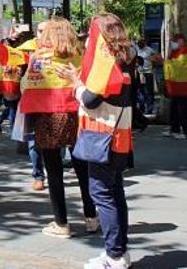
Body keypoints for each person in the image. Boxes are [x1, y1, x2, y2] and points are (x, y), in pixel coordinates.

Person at [57, 14, 136, 269]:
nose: (88, 39)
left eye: (91, 34)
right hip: (118, 137)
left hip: (103, 136)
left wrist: (76, 84)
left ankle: (114, 256)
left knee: (102, 194)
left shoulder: (106, 58)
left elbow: (91, 99)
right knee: (115, 192)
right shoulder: (125, 55)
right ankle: (119, 253)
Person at [19, 17, 97, 238]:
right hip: (76, 114)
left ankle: (61, 223)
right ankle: (91, 217)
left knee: (53, 172)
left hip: (47, 116)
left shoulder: (39, 57)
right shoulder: (80, 54)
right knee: (83, 168)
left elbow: (25, 85)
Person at [163, 34, 187, 139]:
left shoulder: (185, 51)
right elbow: (171, 64)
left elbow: (178, 67)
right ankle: (174, 129)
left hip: (183, 85)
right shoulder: (175, 52)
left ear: (182, 41)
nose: (173, 43)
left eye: (175, 41)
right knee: (174, 109)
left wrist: (164, 61)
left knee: (183, 109)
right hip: (176, 85)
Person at [135, 39, 157, 114]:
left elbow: (155, 60)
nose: (139, 45)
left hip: (148, 73)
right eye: (138, 44)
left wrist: (153, 68)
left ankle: (149, 108)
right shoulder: (137, 50)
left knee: (149, 91)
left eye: (141, 43)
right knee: (140, 91)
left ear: (144, 43)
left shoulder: (150, 50)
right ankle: (142, 108)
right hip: (140, 73)